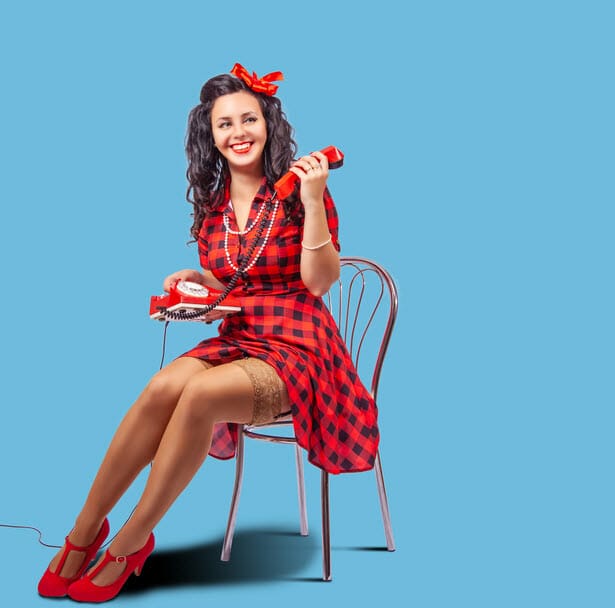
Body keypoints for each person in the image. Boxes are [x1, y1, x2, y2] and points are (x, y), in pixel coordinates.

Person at [37, 63, 380, 602]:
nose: (238, 132)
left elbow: (318, 283)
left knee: (197, 394)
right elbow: (234, 281)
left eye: (249, 119)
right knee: (161, 387)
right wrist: (199, 282)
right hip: (241, 336)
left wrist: (313, 200)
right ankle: (84, 531)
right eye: (225, 124)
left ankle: (131, 541)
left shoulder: (299, 194)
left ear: (268, 125)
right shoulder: (215, 207)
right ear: (210, 135)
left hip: (300, 348)